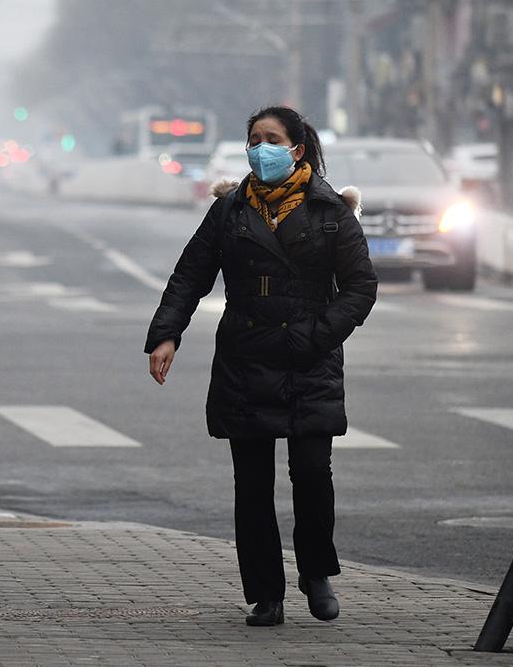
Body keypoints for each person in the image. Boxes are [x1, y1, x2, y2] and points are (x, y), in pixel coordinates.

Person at [144, 105, 377, 626]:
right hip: (245, 359)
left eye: (271, 139)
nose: (259, 148)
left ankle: (316, 573)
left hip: (309, 361)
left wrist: (318, 334)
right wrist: (166, 335)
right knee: (251, 486)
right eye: (253, 139)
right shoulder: (230, 210)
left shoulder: (330, 211)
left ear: (296, 149)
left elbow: (361, 288)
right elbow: (190, 275)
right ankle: (265, 594)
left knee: (313, 474)